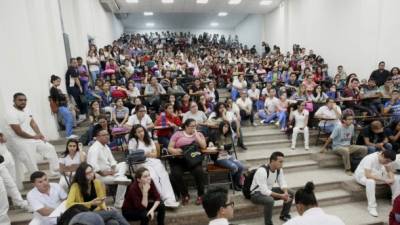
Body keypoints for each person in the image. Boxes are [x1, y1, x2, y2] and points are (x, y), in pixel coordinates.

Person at [4, 93, 59, 187]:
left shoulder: (27, 109)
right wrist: (34, 137)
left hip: (32, 138)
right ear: (14, 101)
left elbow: (32, 122)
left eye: (25, 100)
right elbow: (18, 132)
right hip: (20, 141)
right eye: (20, 100)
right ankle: (39, 183)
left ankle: (55, 171)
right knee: (31, 162)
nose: (23, 102)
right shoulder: (10, 113)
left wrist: (39, 133)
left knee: (50, 148)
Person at [128, 125, 179, 208]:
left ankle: (170, 198)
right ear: (135, 133)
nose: (141, 133)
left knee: (164, 175)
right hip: (141, 163)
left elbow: (155, 154)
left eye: (142, 131)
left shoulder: (149, 140)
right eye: (138, 132)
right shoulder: (133, 141)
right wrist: (146, 154)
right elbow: (133, 156)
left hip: (153, 161)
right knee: (153, 177)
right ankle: (162, 197)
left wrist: (146, 154)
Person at [87, 125, 130, 208]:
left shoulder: (106, 146)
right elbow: (92, 166)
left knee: (124, 164)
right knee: (124, 180)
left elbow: (112, 161)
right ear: (97, 137)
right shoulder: (94, 148)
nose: (107, 136)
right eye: (104, 135)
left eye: (107, 134)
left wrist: (114, 170)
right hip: (99, 176)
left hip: (110, 171)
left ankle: (119, 176)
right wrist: (106, 173)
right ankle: (118, 203)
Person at [168, 119, 207, 205]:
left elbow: (204, 146)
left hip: (193, 159)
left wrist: (196, 135)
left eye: (195, 126)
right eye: (192, 126)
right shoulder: (177, 134)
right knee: (175, 173)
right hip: (180, 159)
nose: (194, 128)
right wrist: (176, 151)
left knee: (199, 171)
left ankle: (201, 195)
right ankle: (185, 194)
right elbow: (169, 148)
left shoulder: (199, 134)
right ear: (186, 126)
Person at [250, 151, 293, 225]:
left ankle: (284, 215)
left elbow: (282, 182)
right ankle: (268, 223)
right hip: (256, 194)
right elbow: (264, 191)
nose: (282, 164)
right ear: (273, 161)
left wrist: (285, 193)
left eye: (282, 162)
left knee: (290, 193)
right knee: (270, 201)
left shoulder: (279, 169)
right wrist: (281, 196)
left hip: (268, 190)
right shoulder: (262, 171)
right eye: (280, 162)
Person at [354, 150, 400, 217]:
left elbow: (389, 171)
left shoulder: (386, 158)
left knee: (396, 178)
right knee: (371, 181)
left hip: (376, 174)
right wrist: (385, 180)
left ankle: (395, 201)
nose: (387, 162)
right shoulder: (370, 158)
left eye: (389, 161)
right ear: (382, 155)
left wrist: (392, 179)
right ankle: (372, 207)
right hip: (362, 176)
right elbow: (368, 175)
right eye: (387, 161)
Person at [215, 121, 245, 190]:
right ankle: (233, 184)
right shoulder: (216, 134)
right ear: (221, 126)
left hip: (227, 156)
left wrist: (224, 147)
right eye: (225, 126)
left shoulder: (229, 135)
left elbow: (229, 146)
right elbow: (217, 145)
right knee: (234, 167)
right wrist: (212, 143)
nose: (226, 128)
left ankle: (236, 183)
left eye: (228, 127)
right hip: (219, 158)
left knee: (241, 166)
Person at [49, 75, 77, 139]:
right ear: (53, 81)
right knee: (69, 118)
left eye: (59, 81)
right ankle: (68, 134)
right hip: (60, 107)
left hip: (63, 106)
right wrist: (64, 96)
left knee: (69, 118)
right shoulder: (53, 89)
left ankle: (69, 133)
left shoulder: (56, 89)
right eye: (57, 81)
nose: (59, 83)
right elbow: (56, 98)